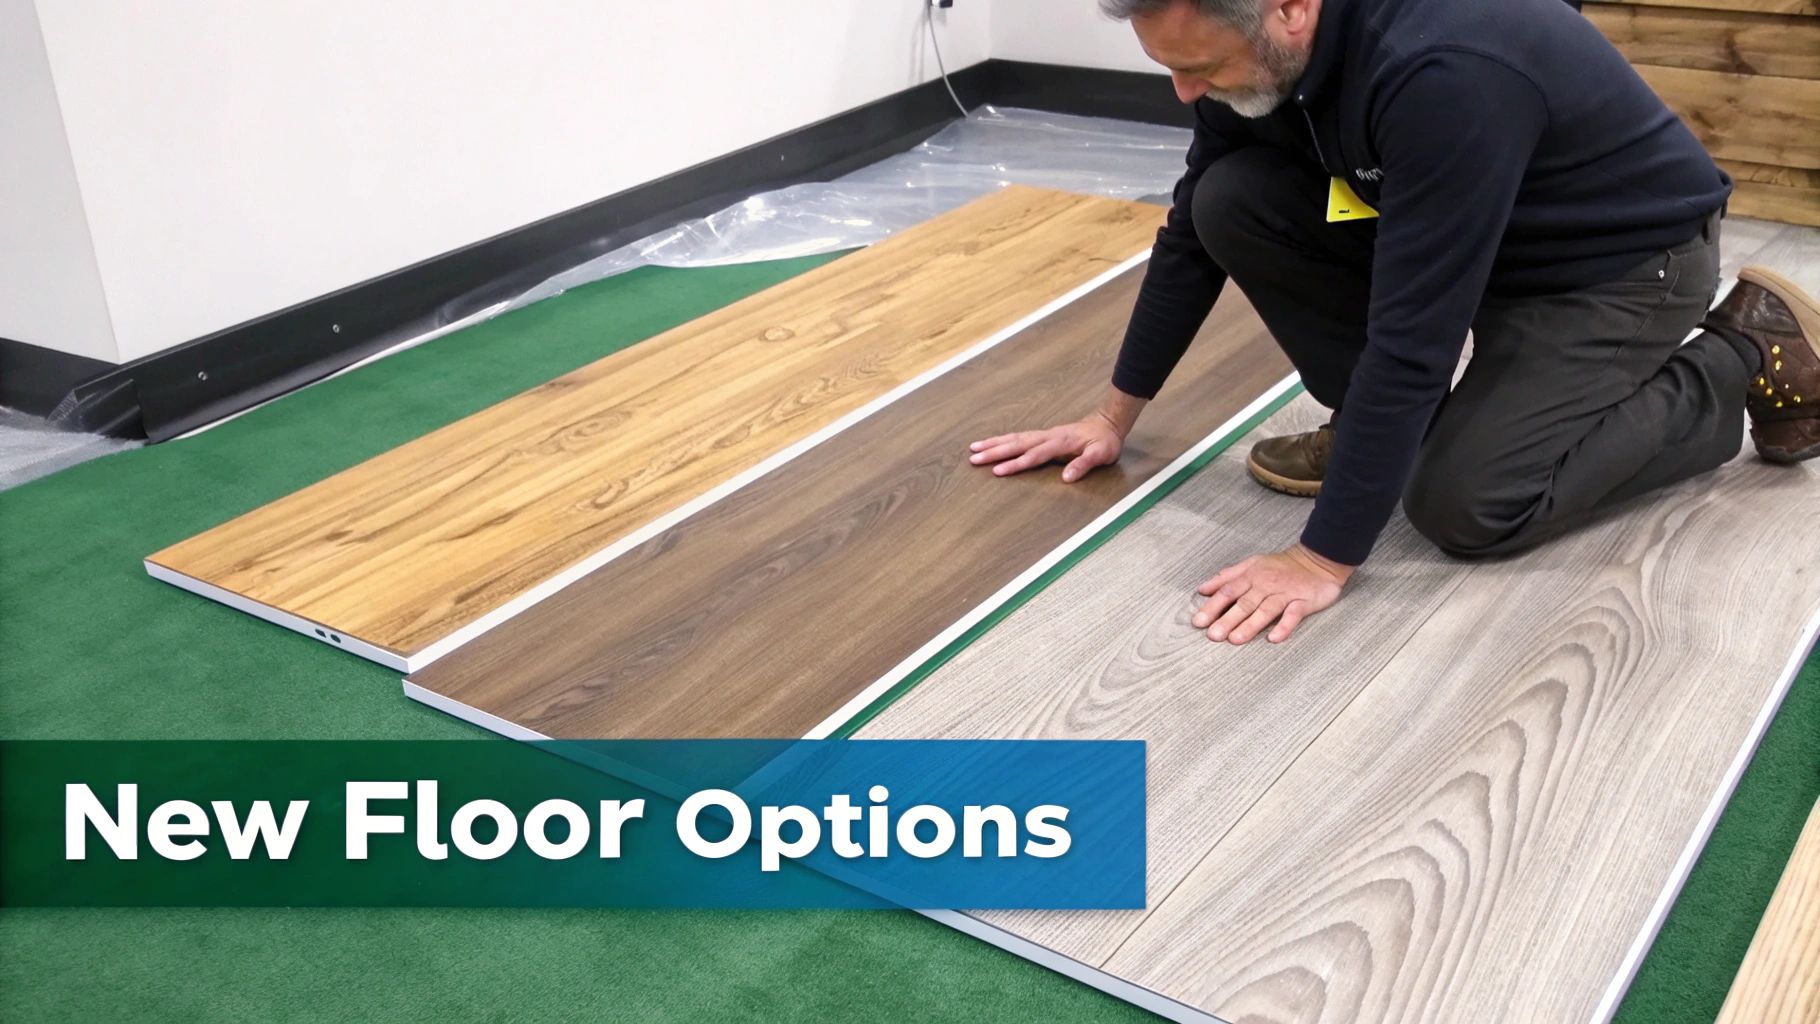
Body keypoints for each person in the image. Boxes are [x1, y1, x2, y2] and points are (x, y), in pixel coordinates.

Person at [970, 0, 1820, 647]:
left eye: (1201, 67)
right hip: (1466, 226)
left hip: (1612, 266)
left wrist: (1320, 559)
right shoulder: (1258, 46)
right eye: (1171, 68)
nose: (1184, 92)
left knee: (1467, 505)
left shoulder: (1442, 69)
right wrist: (1111, 417)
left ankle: (1744, 349)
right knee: (1233, 201)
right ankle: (1396, 441)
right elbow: (1193, 230)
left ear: (1291, 8)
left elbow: (1412, 339)